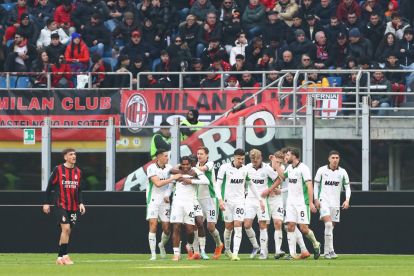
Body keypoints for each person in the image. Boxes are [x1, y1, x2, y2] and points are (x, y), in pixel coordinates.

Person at [265, 147, 320, 260]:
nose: (286, 157)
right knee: (290, 226)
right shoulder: (289, 168)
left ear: (294, 156)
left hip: (302, 203)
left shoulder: (304, 168)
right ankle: (293, 254)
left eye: (288, 155)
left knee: (304, 228)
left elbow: (309, 186)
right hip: (291, 203)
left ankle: (315, 243)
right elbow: (283, 176)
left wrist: (311, 201)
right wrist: (275, 163)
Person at [215, 148, 265, 261]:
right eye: (239, 158)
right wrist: (220, 200)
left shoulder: (245, 169)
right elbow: (217, 185)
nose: (241, 161)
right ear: (234, 157)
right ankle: (227, 249)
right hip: (227, 201)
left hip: (240, 202)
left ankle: (235, 253)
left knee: (238, 226)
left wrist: (260, 200)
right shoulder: (225, 168)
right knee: (229, 227)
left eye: (242, 159)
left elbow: (251, 184)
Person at [43, 148, 86, 265]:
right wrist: (46, 203)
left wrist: (81, 203)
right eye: (71, 154)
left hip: (73, 206)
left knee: (67, 231)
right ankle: (65, 256)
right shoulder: (58, 169)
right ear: (65, 157)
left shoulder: (78, 172)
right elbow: (49, 187)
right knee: (66, 228)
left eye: (75, 154)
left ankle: (59, 258)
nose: (74, 156)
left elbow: (79, 190)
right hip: (60, 204)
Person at [170, 156, 209, 261]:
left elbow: (206, 181)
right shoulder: (176, 171)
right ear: (181, 164)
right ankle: (176, 253)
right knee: (176, 227)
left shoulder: (195, 171)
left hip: (190, 203)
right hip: (177, 202)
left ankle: (190, 246)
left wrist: (191, 181)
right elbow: (170, 176)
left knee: (190, 231)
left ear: (191, 164)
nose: (186, 166)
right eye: (184, 164)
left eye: (188, 164)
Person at [314, 150, 351, 259]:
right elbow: (316, 185)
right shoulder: (321, 170)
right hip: (323, 201)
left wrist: (347, 200)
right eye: (333, 158)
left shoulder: (343, 172)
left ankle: (331, 250)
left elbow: (347, 187)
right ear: (329, 159)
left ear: (339, 159)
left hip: (336, 203)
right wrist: (316, 199)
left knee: (331, 227)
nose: (335, 160)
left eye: (337, 158)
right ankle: (326, 252)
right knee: (329, 224)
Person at [146, 148, 182, 261]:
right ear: (159, 157)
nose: (167, 158)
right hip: (153, 200)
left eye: (167, 155)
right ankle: (153, 255)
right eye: (165, 156)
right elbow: (157, 183)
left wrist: (167, 194)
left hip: (165, 201)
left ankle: (161, 245)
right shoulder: (151, 168)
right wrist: (171, 178)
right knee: (153, 225)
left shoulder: (169, 168)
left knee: (167, 229)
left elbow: (171, 185)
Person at [243, 149, 278, 260]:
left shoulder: (267, 168)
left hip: (262, 200)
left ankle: (263, 251)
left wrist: (269, 190)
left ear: (261, 157)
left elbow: (278, 179)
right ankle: (255, 246)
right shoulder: (247, 168)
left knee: (262, 225)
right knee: (247, 225)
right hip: (249, 200)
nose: (254, 161)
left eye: (256, 159)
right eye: (252, 159)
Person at [195, 147, 224, 259]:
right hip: (198, 199)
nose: (199, 156)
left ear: (207, 155)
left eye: (201, 154)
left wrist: (195, 169)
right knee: (198, 225)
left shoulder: (210, 164)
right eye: (198, 153)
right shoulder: (195, 165)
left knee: (211, 227)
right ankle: (198, 252)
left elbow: (204, 168)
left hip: (211, 199)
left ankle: (219, 244)